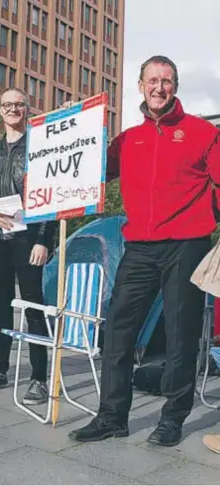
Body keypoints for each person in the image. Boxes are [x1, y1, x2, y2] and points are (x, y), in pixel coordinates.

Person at [69, 55, 220, 446]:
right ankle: (111, 416)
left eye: (166, 81)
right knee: (118, 329)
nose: (159, 87)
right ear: (140, 85)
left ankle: (172, 418)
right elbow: (87, 173)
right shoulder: (128, 140)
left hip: (186, 245)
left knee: (181, 333)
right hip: (139, 246)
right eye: (152, 80)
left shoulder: (203, 133)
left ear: (175, 86)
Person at [0, 88, 57, 406]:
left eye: (19, 104)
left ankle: (39, 378)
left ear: (28, 109)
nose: (13, 109)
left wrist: (44, 240)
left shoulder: (40, 148)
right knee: (1, 305)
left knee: (33, 306)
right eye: (8, 105)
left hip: (28, 239)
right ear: (0, 111)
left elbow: (52, 195)